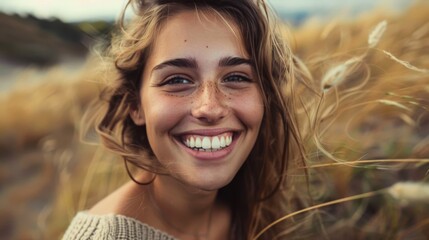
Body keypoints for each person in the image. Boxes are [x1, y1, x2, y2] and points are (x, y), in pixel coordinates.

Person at [63, 0, 308, 239]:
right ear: (135, 105)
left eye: (236, 77)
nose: (210, 108)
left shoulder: (254, 207)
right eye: (177, 80)